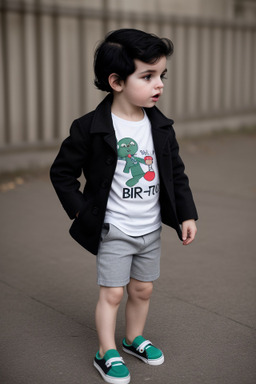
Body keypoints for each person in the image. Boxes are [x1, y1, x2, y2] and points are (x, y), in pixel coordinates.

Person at [50, 28, 198, 384]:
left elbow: (175, 174)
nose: (158, 84)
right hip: (113, 228)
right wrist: (80, 211)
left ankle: (133, 338)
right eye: (147, 76)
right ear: (116, 81)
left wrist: (187, 213)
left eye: (162, 75)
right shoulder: (90, 128)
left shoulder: (160, 127)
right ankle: (106, 350)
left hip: (149, 228)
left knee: (143, 288)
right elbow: (62, 173)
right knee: (113, 292)